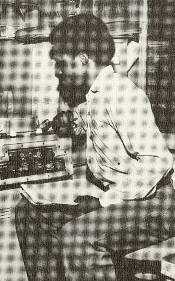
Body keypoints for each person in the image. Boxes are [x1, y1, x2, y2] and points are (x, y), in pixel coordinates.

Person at [15, 14, 175, 281]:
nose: (57, 71)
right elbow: (98, 127)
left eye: (61, 63)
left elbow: (157, 161)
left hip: (158, 202)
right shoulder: (94, 96)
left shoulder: (121, 95)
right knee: (30, 214)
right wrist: (71, 122)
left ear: (83, 59)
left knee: (78, 240)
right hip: (125, 196)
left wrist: (102, 202)